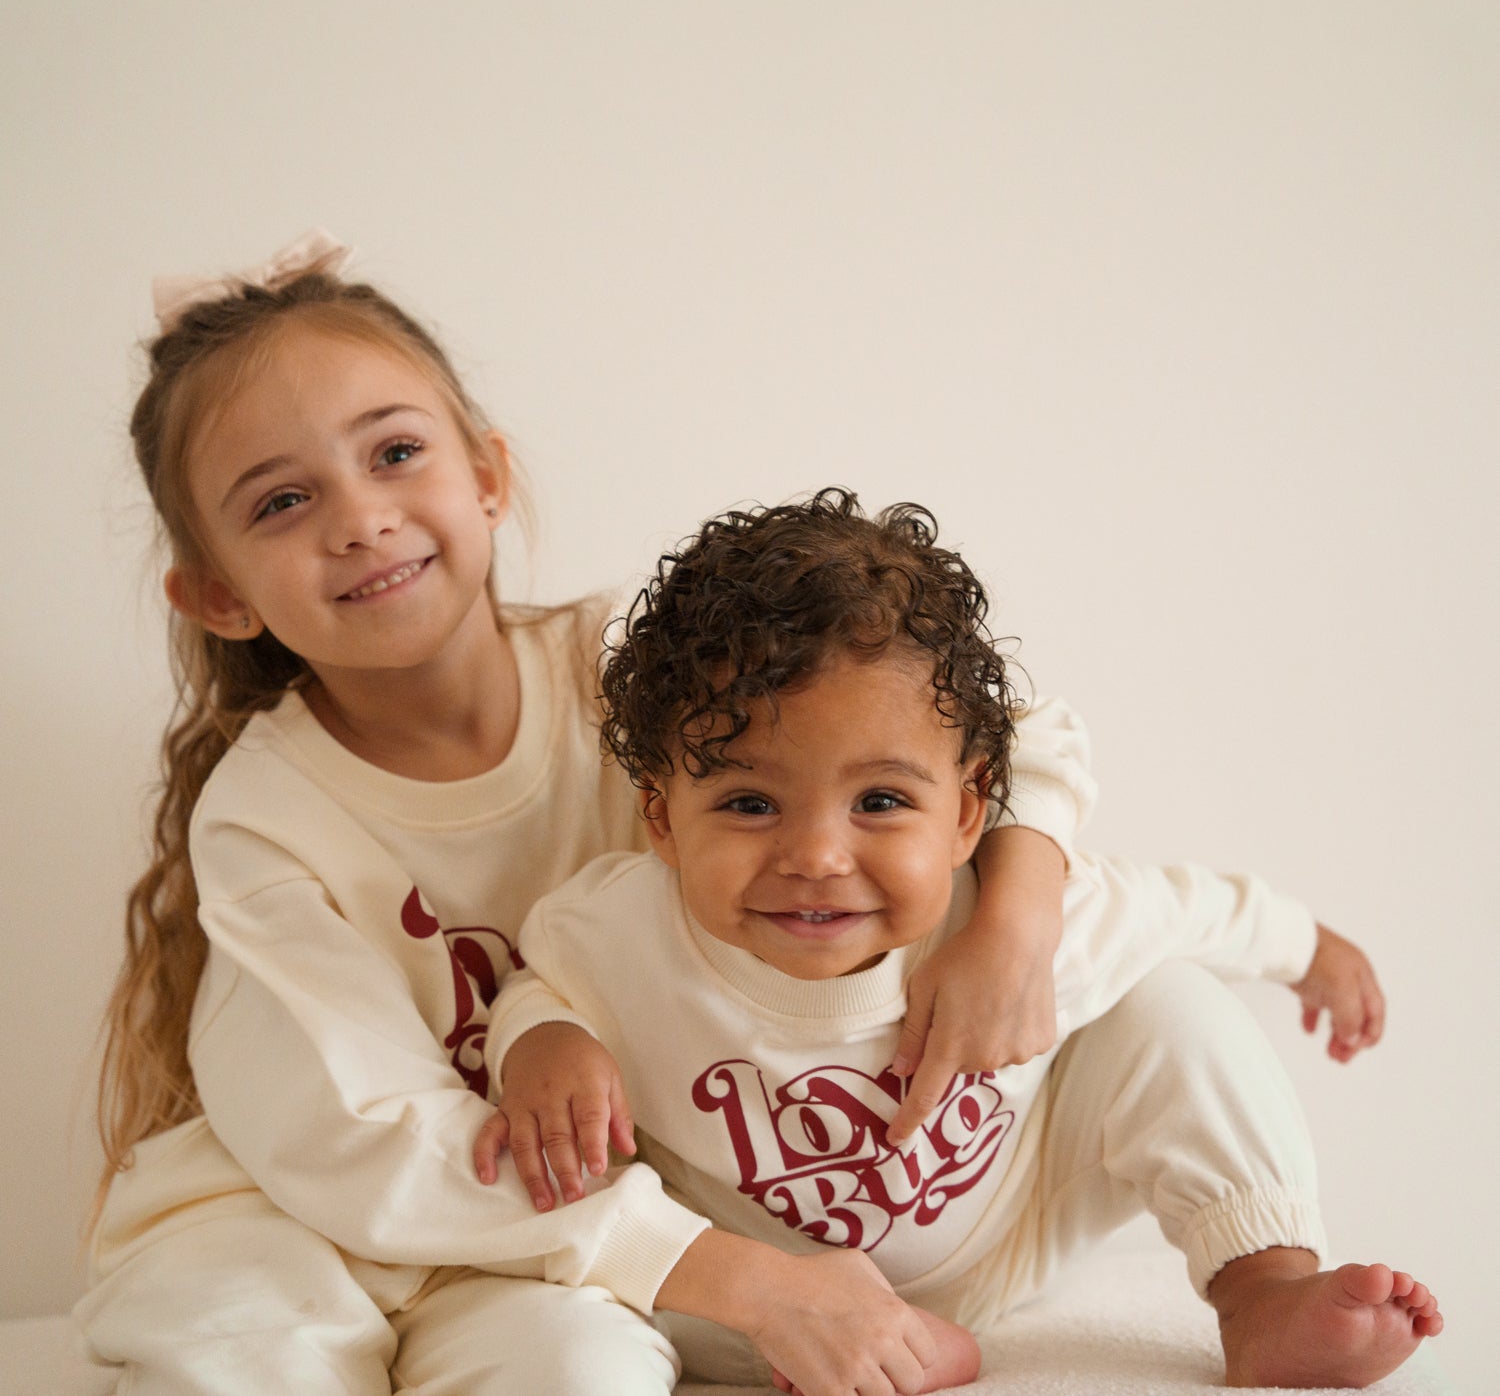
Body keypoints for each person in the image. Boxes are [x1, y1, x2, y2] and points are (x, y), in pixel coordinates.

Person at [77, 233, 1098, 1396]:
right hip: (296, 1212)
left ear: (488, 478)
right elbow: (355, 1136)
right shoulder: (266, 818)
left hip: (556, 1238)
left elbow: (989, 725)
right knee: (254, 1353)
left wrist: (1013, 922)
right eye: (282, 501)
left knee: (578, 1369)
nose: (359, 519)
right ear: (219, 594)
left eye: (396, 452)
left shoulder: (628, 669)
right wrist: (748, 1280)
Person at [474, 488, 1444, 1391]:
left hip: (1004, 1239)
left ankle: (1263, 1289)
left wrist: (1313, 951)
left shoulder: (1011, 922)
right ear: (660, 816)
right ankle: (856, 1354)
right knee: (596, 1295)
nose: (816, 857)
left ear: (970, 811)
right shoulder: (617, 931)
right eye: (750, 803)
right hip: (763, 1290)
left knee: (1173, 1004)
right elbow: (542, 981)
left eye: (880, 801)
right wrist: (544, 1040)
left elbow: (1190, 907)